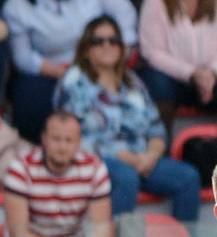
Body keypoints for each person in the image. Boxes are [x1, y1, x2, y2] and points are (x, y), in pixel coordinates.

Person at [53, 17, 202, 223]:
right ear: (86, 50)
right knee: (126, 177)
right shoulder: (73, 81)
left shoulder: (133, 81)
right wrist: (127, 158)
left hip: (142, 160)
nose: (107, 45)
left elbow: (156, 128)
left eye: (113, 40)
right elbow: (76, 137)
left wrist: (151, 154)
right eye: (98, 41)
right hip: (98, 159)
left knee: (189, 177)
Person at [2, 0, 137, 141]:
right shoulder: (16, 5)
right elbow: (23, 57)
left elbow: (125, 12)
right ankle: (40, 152)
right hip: (55, 70)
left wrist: (116, 54)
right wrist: (67, 73)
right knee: (29, 91)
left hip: (101, 62)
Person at [138, 0, 217, 141]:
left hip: (215, 74)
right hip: (173, 75)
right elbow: (151, 52)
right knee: (157, 85)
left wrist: (213, 72)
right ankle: (160, 149)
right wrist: (191, 73)